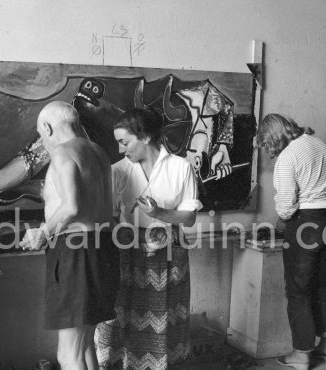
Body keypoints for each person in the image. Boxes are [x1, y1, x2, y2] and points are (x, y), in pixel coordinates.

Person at [96, 108, 202, 370]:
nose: (121, 150)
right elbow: (107, 219)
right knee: (120, 317)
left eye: (125, 142)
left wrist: (159, 213)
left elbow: (189, 219)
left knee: (165, 319)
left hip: (169, 253)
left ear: (144, 137)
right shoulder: (117, 171)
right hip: (126, 252)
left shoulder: (181, 167)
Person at [19, 101, 118, 370]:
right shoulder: (98, 152)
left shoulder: (63, 153)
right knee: (85, 347)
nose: (43, 140)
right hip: (104, 247)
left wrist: (42, 233)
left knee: (68, 355)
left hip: (76, 251)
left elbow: (72, 206)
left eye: (41, 134)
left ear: (48, 128)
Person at [256, 113, 326, 370]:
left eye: (266, 145)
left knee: (298, 289)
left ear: (272, 137)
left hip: (309, 222)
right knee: (320, 282)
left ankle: (301, 354)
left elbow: (285, 209)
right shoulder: (320, 144)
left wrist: (280, 219)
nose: (268, 151)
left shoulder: (287, 157)